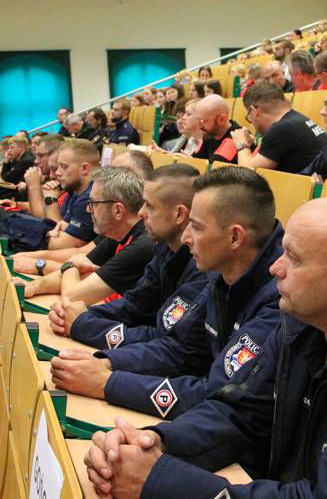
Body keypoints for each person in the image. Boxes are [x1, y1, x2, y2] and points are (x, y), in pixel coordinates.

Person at [83, 196, 327, 499]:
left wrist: (160, 481)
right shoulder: (306, 320)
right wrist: (156, 443)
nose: (275, 268)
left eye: (292, 258)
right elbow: (242, 414)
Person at [50, 167, 284, 421]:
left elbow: (220, 395)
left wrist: (108, 382)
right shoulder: (220, 268)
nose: (186, 236)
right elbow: (178, 348)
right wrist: (105, 361)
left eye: (195, 226)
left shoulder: (279, 297)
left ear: (235, 237)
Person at [56, 164, 205, 349]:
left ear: (179, 214)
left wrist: (83, 324)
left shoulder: (200, 266)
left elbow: (167, 341)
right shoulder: (165, 250)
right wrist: (80, 315)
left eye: (149, 205)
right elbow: (134, 306)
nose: (141, 212)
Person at [19, 166, 155, 305]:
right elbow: (82, 274)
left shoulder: (143, 246)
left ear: (118, 211)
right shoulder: (118, 233)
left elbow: (72, 297)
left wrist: (71, 264)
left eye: (93, 203)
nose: (87, 209)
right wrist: (34, 286)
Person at [233, 82, 327, 173]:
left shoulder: (282, 128)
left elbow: (247, 175)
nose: (251, 121)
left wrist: (242, 144)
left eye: (249, 116)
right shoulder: (296, 120)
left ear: (254, 111)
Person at [46, 139, 99, 250]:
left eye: (64, 167)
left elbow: (58, 247)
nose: (57, 173)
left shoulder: (89, 198)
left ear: (84, 168)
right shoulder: (75, 190)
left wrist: (48, 234)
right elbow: (60, 225)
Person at [192, 95, 241, 164]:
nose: (199, 126)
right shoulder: (209, 135)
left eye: (203, 121)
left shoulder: (236, 137)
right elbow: (195, 160)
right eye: (198, 120)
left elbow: (212, 167)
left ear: (222, 119)